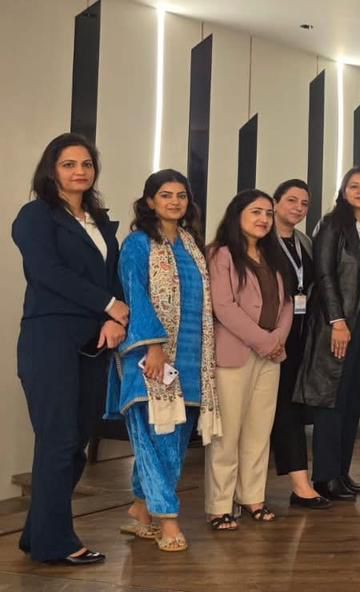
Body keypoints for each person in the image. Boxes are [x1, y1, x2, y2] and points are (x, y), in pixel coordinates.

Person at [12, 133, 124, 565]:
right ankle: (56, 542)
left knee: (76, 441)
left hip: (94, 341)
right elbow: (48, 272)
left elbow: (111, 276)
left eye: (86, 164)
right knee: (58, 441)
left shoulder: (97, 220)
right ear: (52, 170)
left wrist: (114, 318)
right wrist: (108, 305)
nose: (80, 171)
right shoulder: (36, 216)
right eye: (69, 164)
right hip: (49, 339)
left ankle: (38, 534)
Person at [107, 169, 220, 553]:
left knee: (173, 442)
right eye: (166, 195)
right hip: (149, 358)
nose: (174, 202)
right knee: (156, 439)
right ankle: (168, 520)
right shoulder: (138, 244)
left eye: (181, 195)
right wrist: (153, 346)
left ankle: (140, 510)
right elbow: (135, 294)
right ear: (150, 201)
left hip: (189, 360)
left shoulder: (191, 245)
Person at [294, 167, 360, 502]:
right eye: (354, 186)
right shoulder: (333, 224)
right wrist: (338, 321)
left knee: (351, 400)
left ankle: (341, 473)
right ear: (343, 191)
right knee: (331, 400)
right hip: (339, 322)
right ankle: (325, 477)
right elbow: (325, 275)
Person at [204, 189, 293, 530]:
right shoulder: (221, 254)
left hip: (270, 356)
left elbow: (287, 304)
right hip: (234, 354)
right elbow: (223, 306)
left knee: (259, 431)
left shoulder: (274, 256)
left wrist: (277, 339)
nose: (264, 219)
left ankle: (252, 497)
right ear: (237, 214)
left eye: (268, 213)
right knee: (226, 436)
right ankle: (219, 506)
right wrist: (264, 341)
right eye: (256, 212)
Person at [267, 179, 329, 509]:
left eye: (304, 204)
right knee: (273, 411)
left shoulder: (304, 241)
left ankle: (299, 484)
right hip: (267, 337)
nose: (298, 208)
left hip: (300, 336)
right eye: (291, 200)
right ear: (275, 202)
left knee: (289, 408)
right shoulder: (261, 240)